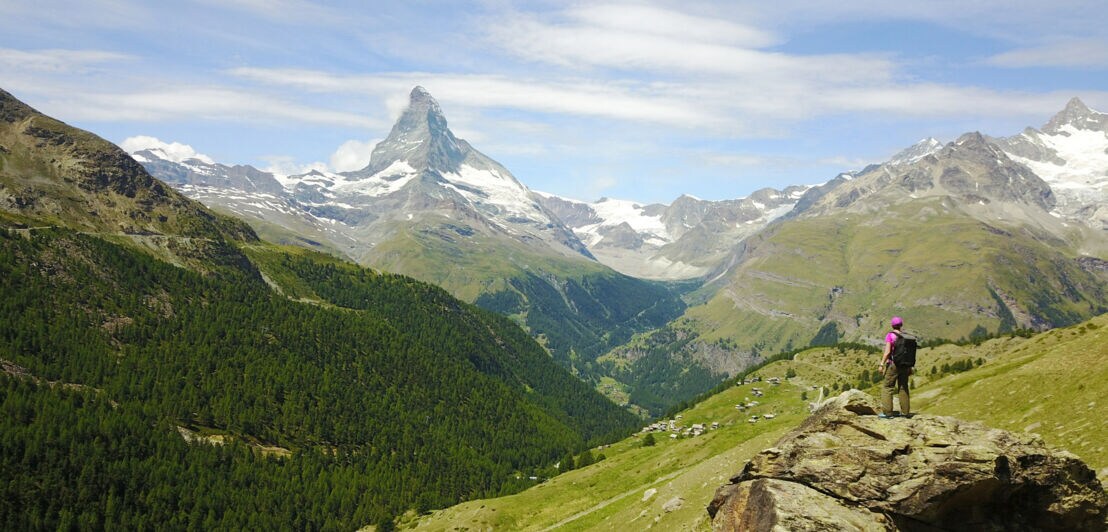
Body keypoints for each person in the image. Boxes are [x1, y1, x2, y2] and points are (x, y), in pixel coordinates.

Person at [879, 316, 911, 418]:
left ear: (892, 325)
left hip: (893, 364)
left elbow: (888, 352)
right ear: (901, 325)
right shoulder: (906, 337)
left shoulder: (890, 336)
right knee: (903, 387)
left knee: (887, 387)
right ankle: (905, 413)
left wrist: (881, 364)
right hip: (905, 365)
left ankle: (888, 413)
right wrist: (909, 367)